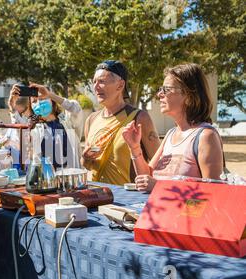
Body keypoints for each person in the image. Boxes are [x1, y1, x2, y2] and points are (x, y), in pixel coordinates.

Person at [122, 63, 224, 192]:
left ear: (188, 97)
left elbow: (214, 191)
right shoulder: (171, 134)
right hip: (160, 210)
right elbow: (147, 177)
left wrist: (159, 187)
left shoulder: (206, 136)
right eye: (161, 89)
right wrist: (134, 147)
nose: (159, 94)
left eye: (166, 89)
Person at [81, 60, 160, 185]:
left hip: (129, 201)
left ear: (120, 85)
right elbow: (86, 165)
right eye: (94, 82)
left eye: (101, 81)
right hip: (98, 197)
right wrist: (86, 158)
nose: (95, 87)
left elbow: (159, 166)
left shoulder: (139, 118)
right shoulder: (91, 120)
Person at [27, 83, 83, 169]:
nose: (39, 103)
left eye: (42, 98)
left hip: (71, 177)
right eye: (34, 101)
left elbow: (76, 109)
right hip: (48, 179)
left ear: (52, 101)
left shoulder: (67, 121)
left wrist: (49, 94)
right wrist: (12, 108)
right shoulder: (35, 128)